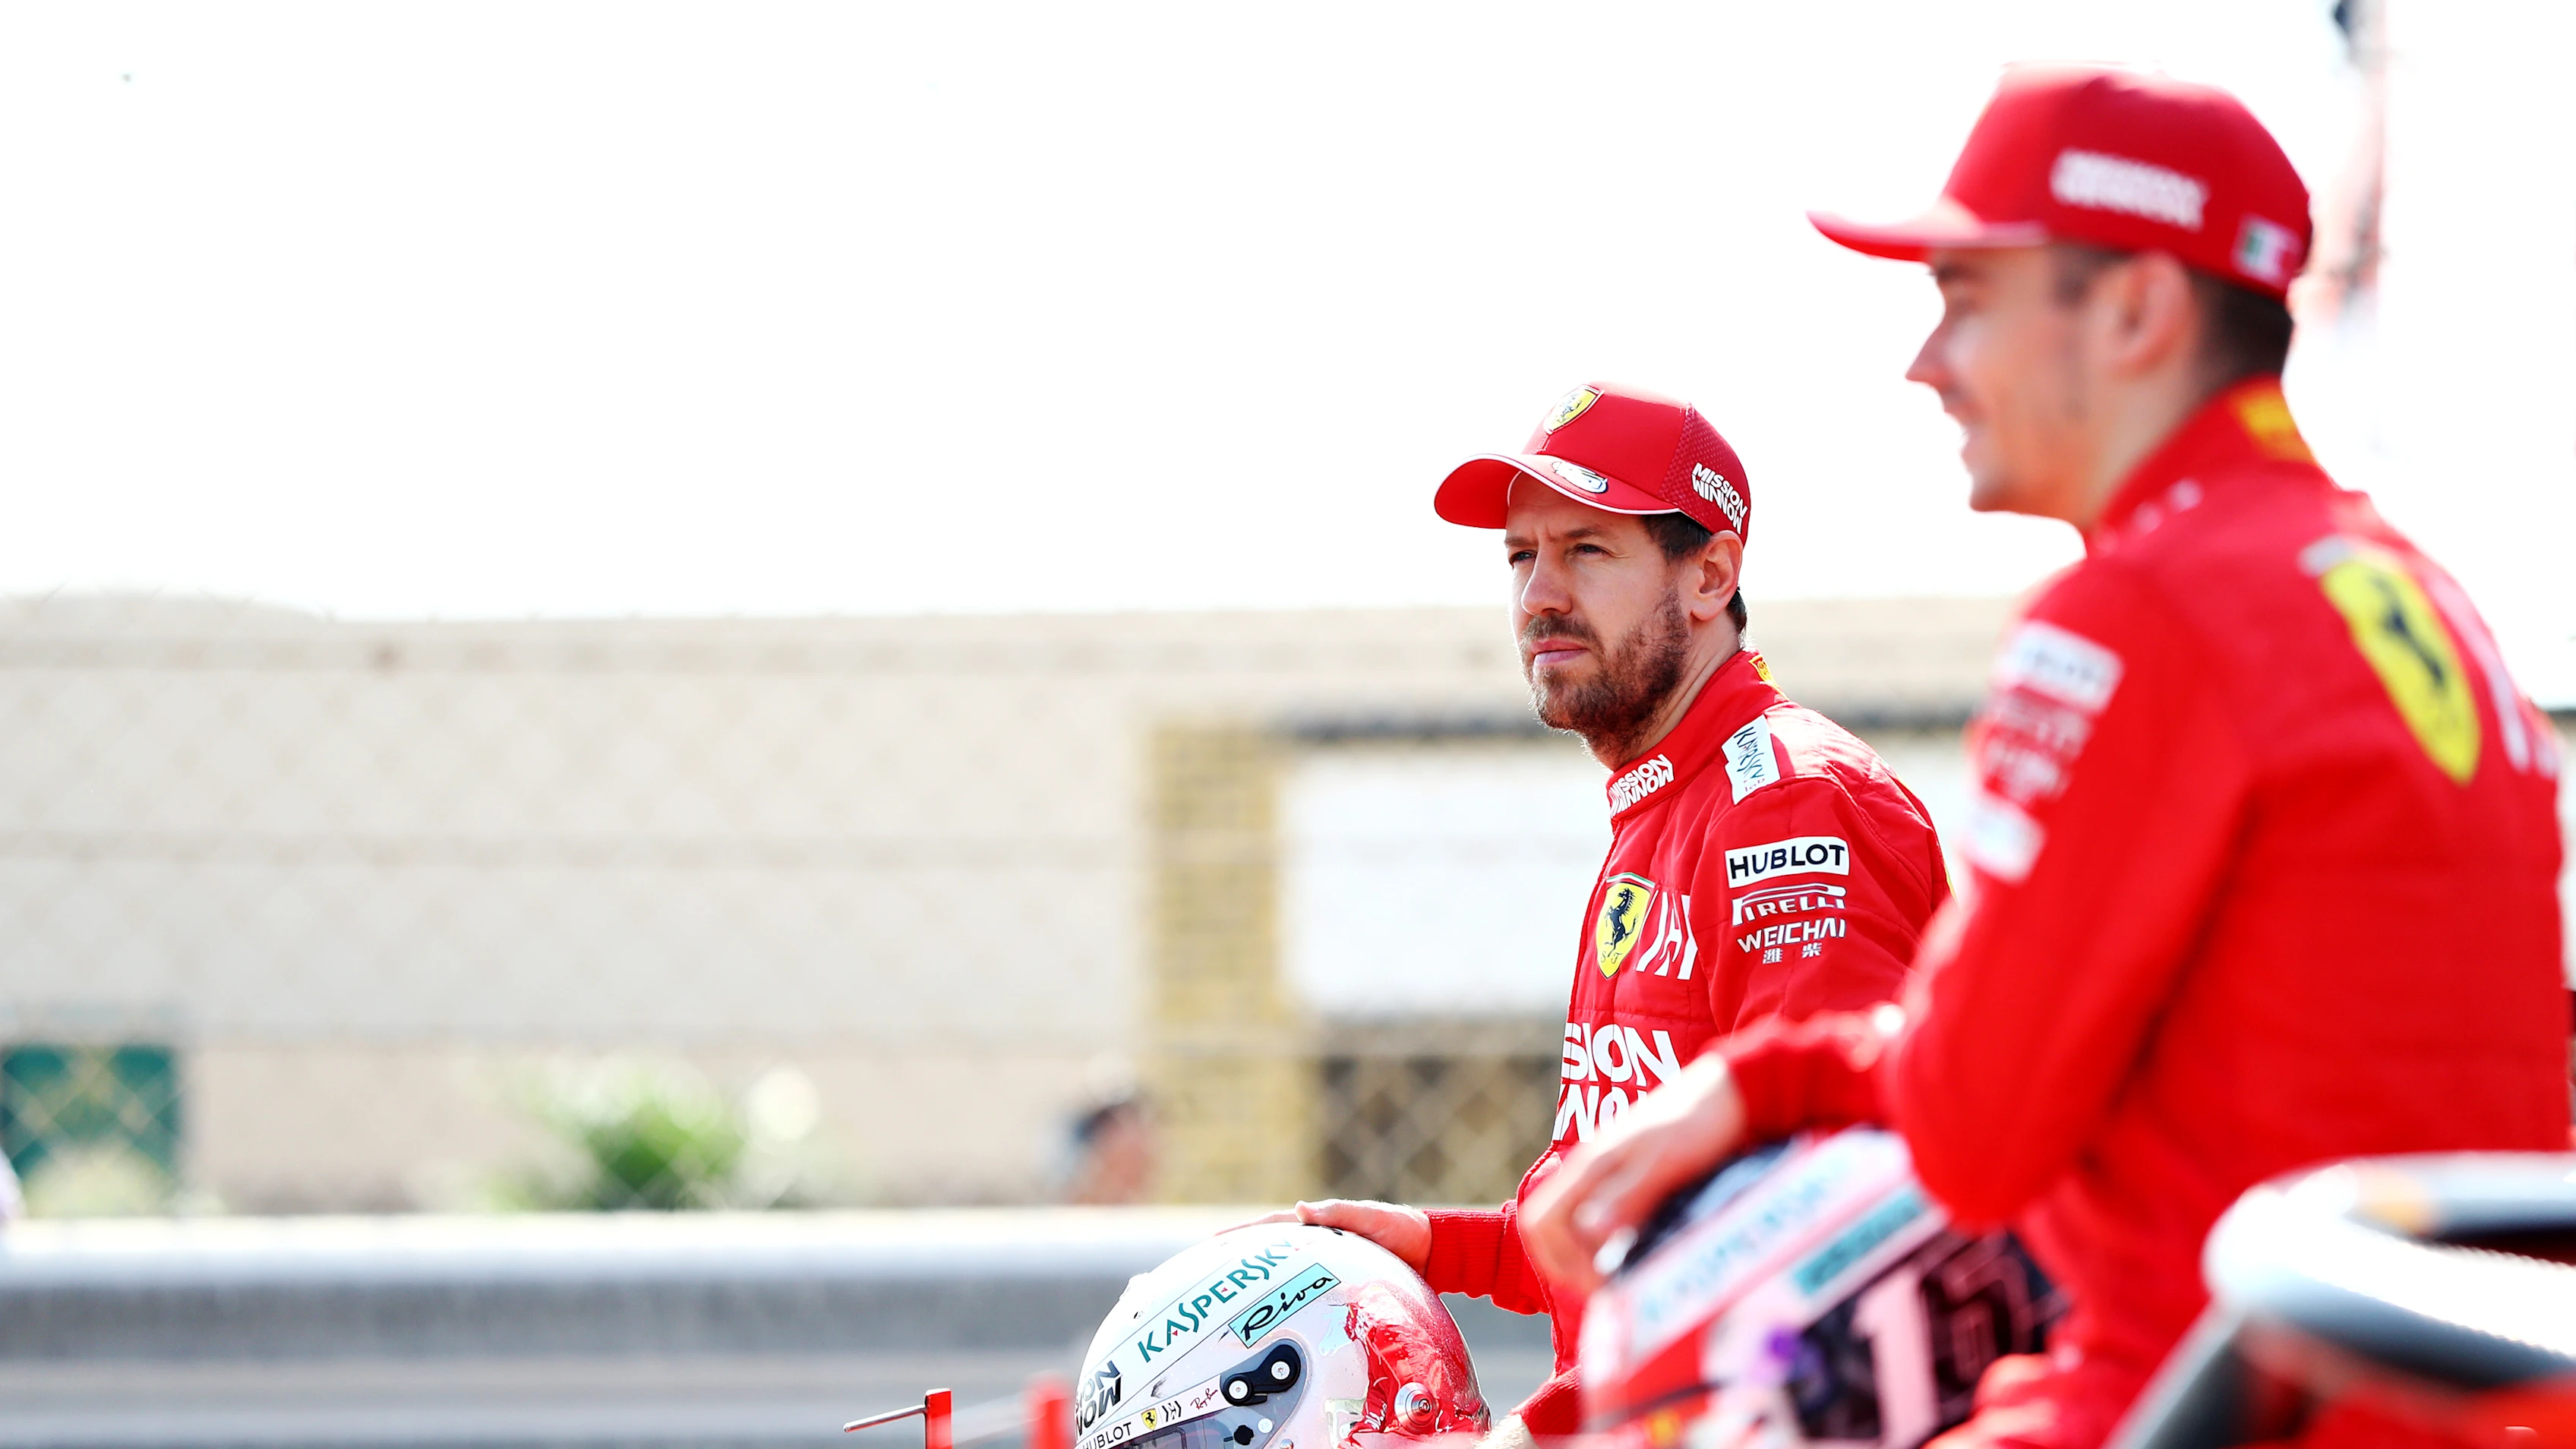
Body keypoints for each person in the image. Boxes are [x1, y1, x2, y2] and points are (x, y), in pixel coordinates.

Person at [1520, 67, 2570, 1449]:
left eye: (1967, 299)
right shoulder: (2412, 589)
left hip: (2201, 1401)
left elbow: (1974, 1134)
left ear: (2134, 307)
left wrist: (1765, 1081)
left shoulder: (2139, 611)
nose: (1926, 361)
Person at [1253, 384, 1953, 1443]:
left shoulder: (1789, 809)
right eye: (1519, 557)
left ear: (1710, 575)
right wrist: (1443, 1247)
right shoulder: (1665, 800)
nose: (1540, 594)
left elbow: (1818, 1228)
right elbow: (1643, 1215)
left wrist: (1546, 1432)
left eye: (1587, 550)